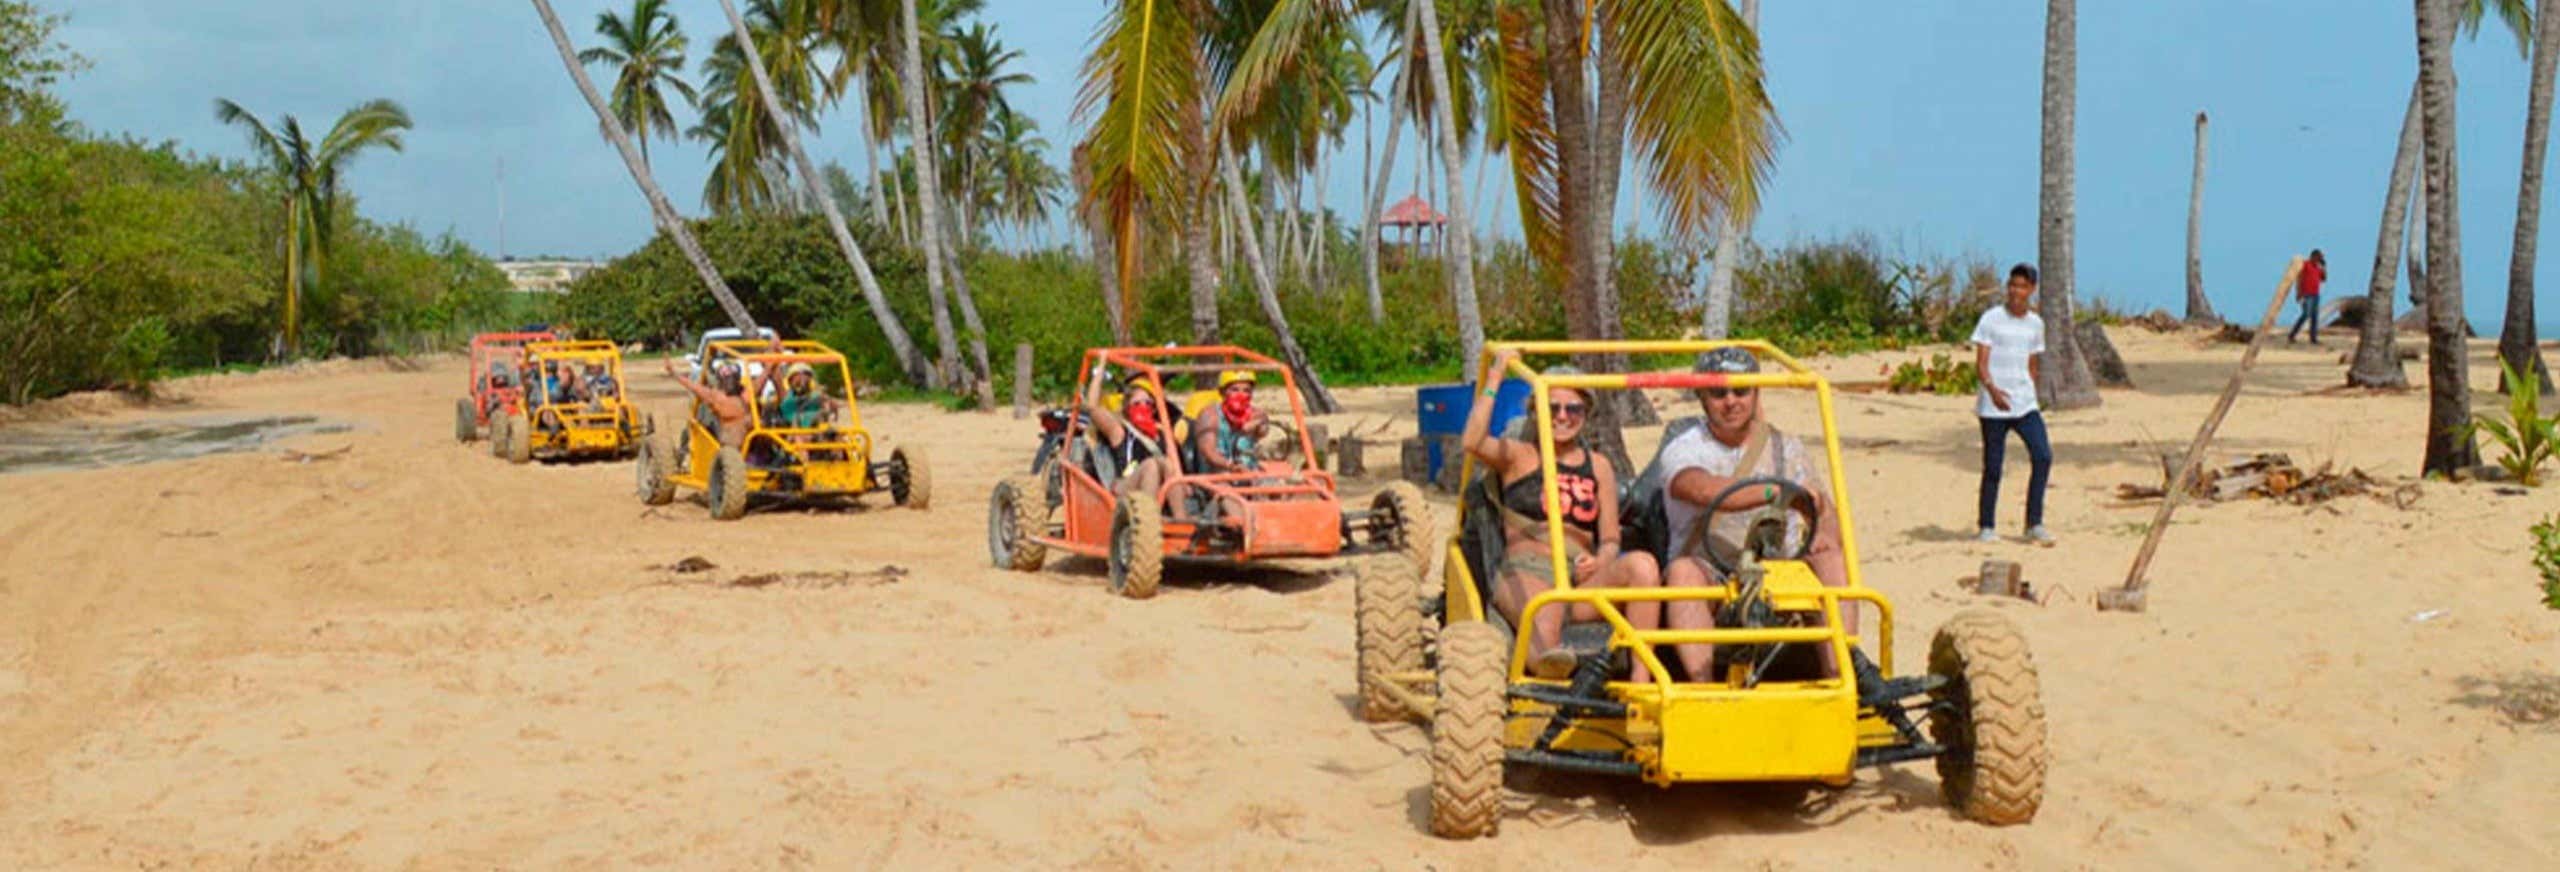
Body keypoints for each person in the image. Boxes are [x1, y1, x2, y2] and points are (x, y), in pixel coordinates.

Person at [1464, 349, 1667, 680]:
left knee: (1643, 566)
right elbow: (1472, 440)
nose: (1562, 416)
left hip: (1580, 580)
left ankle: (1641, 682)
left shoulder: (1599, 466)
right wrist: (1496, 376)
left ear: (1585, 414)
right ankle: (1549, 668)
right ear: (1536, 411)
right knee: (1548, 609)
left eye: (1572, 408)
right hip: (1526, 572)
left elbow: (1611, 538)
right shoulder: (1519, 457)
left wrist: (1602, 561)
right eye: (1552, 407)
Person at [1656, 347, 1853, 681]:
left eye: (1741, 390)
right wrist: (1772, 492)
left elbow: (1823, 507)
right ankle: (1703, 690)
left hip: (1781, 566)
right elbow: (1700, 489)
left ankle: (1842, 677)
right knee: (1682, 574)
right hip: (1712, 568)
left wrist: (1823, 532)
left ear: (1755, 393)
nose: (1731, 401)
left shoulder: (1784, 446)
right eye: (1719, 393)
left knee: (1832, 557)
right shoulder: (1686, 448)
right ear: (1702, 397)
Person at [1972, 263, 2055, 545]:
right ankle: (1986, 525)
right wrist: (1993, 389)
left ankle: (2034, 523)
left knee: (2042, 455)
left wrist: (2028, 390)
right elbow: (1981, 363)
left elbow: (2033, 363)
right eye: (2012, 285)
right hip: (1993, 406)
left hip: (2024, 404)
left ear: (2032, 289)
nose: (2016, 291)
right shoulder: (1991, 319)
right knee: (1993, 466)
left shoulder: (2036, 324)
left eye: (2022, 286)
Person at [1076, 371, 1181, 503]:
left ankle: (1181, 519)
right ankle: (1147, 519)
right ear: (1127, 407)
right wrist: (1101, 365)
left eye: (1147, 403)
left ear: (1154, 409)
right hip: (1125, 485)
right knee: (1151, 466)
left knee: (1166, 465)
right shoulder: (1120, 431)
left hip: (1159, 487)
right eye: (1137, 404)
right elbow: (1092, 407)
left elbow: (1175, 467)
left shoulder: (1161, 432)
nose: (1143, 407)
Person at [665, 356, 752, 447]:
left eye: (733, 378)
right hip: (729, 440)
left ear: (738, 379)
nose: (730, 382)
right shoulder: (714, 396)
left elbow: (762, 378)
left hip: (751, 437)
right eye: (727, 378)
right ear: (720, 380)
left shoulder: (746, 392)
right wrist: (673, 373)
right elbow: (692, 386)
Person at [2287, 249, 2328, 345]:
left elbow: (2324, 279)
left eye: (2321, 258)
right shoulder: (2306, 264)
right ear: (2313, 256)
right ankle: (2292, 335)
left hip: (2315, 294)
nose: (2320, 259)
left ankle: (2313, 338)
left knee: (2314, 316)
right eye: (2319, 257)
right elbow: (2299, 279)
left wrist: (2324, 267)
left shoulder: (2318, 267)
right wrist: (2298, 293)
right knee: (2306, 314)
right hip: (2306, 294)